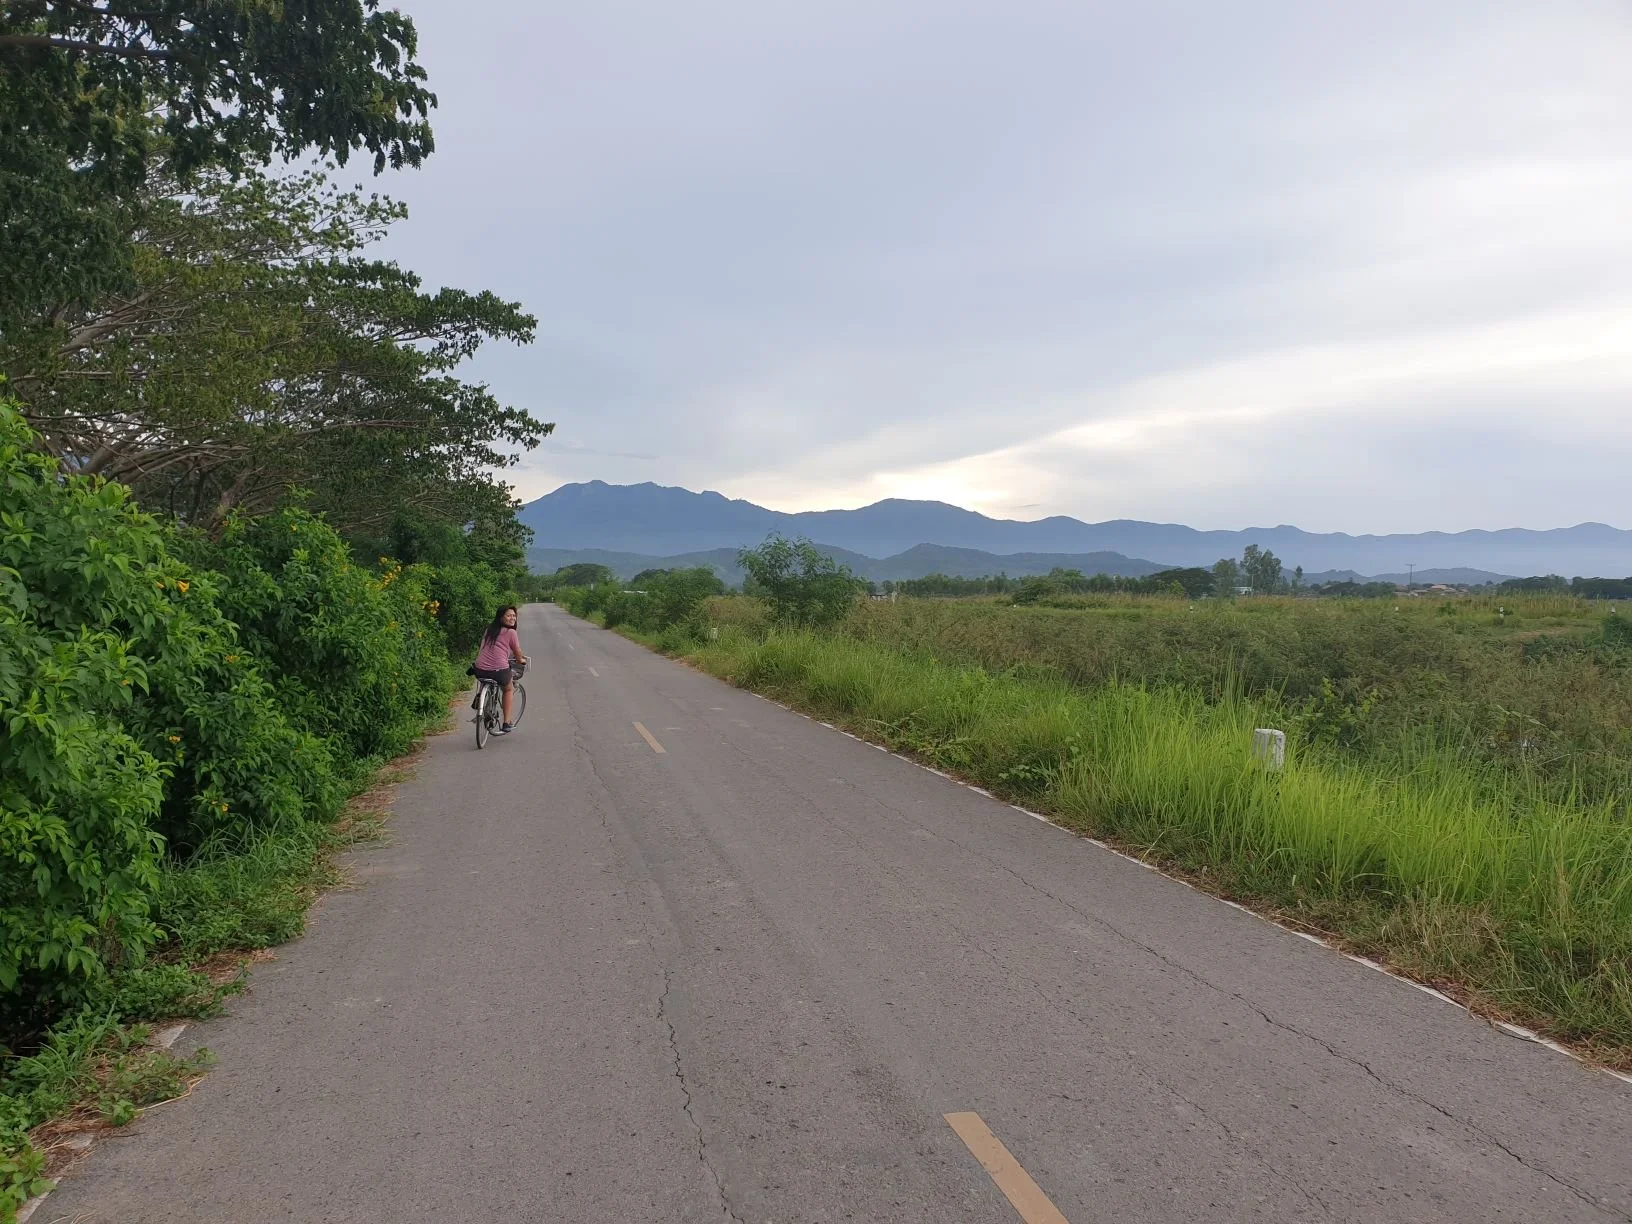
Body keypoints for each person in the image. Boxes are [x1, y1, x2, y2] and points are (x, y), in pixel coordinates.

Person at [473, 605, 529, 735]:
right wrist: (521, 660)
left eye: (514, 616)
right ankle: (507, 722)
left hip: (479, 669)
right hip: (499, 671)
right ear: (500, 617)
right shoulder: (511, 633)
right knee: (508, 689)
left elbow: (485, 649)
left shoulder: (489, 630)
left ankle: (480, 698)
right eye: (508, 615)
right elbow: (517, 652)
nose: (512, 618)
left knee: (485, 677)